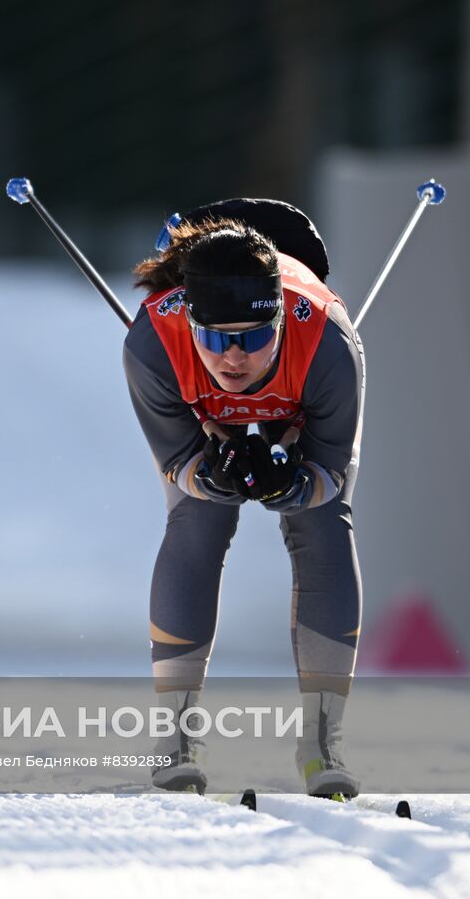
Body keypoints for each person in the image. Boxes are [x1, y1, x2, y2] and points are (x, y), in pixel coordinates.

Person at [121, 199, 365, 797]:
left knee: (321, 522)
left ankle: (323, 742)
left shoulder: (330, 344)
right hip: (202, 412)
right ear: (189, 323)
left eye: (254, 337)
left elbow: (331, 473)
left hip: (300, 398)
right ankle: (175, 736)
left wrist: (292, 481)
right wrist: (213, 474)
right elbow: (180, 463)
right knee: (199, 519)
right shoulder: (153, 342)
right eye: (215, 338)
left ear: (280, 321)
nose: (233, 357)